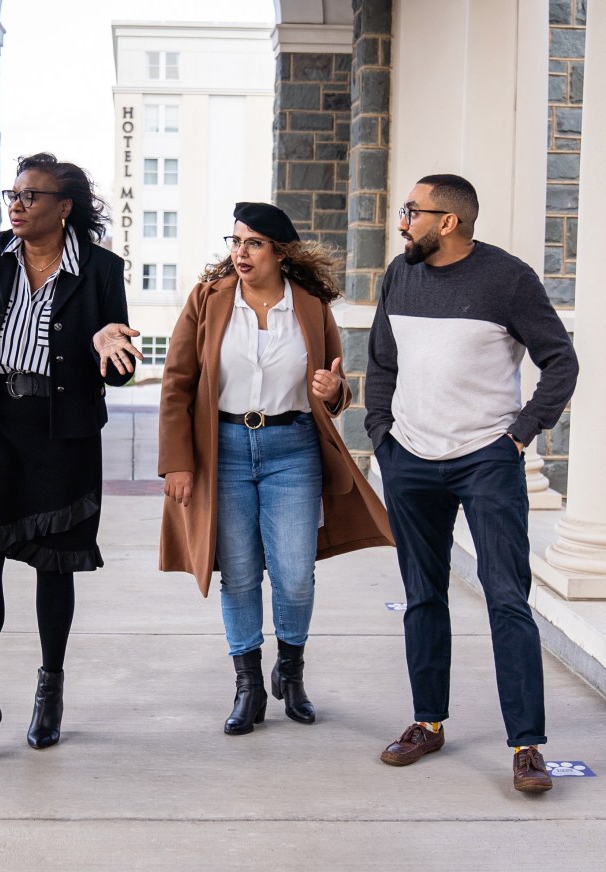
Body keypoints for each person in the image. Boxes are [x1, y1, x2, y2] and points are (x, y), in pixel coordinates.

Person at [366, 174, 578, 793]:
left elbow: (559, 360)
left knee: (507, 599)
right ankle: (427, 723)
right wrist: (382, 434)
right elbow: (383, 361)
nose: (403, 222)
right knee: (422, 596)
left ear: (448, 222)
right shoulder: (399, 275)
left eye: (412, 212)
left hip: (486, 459)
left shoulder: (507, 279)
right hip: (409, 457)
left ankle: (527, 746)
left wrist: (520, 433)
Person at [159, 202, 393, 735]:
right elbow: (176, 383)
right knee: (239, 573)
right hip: (224, 449)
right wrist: (177, 462)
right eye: (235, 241)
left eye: (253, 244)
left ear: (280, 252)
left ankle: (290, 673)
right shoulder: (208, 300)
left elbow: (333, 386)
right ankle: (247, 686)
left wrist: (335, 392)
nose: (239, 253)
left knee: (294, 575)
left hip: (293, 449)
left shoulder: (310, 306)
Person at [0, 152, 140, 754]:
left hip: (61, 431)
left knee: (55, 562)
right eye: (13, 195)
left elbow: (119, 367)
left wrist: (106, 342)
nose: (16, 205)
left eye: (30, 196)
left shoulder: (100, 270)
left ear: (64, 206)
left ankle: (49, 693)